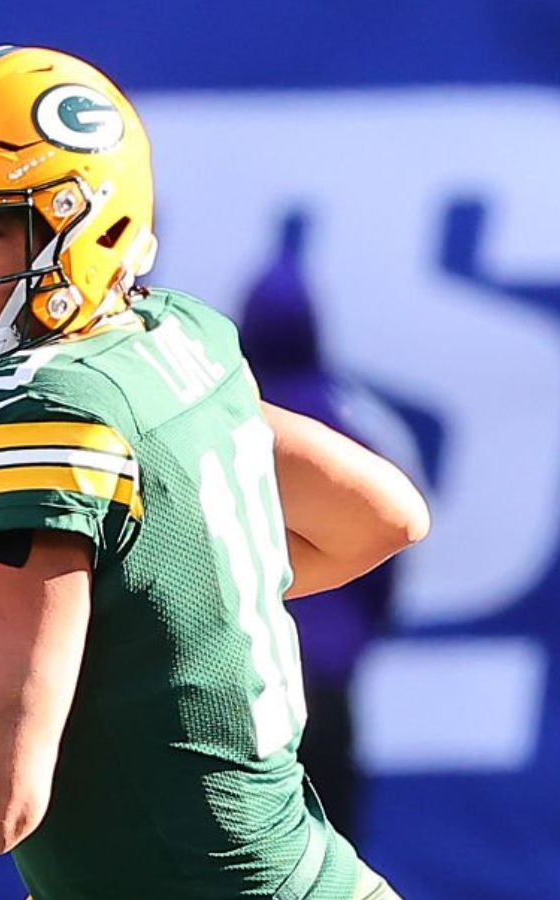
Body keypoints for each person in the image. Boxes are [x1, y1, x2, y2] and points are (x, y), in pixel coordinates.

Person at [0, 46, 428, 899]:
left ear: (88, 224)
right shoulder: (170, 343)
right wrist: (141, 622)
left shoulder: (24, 418)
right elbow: (383, 518)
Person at [238, 211, 400, 842]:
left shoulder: (216, 428)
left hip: (244, 690)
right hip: (328, 689)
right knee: (333, 856)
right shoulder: (347, 436)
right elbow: (386, 559)